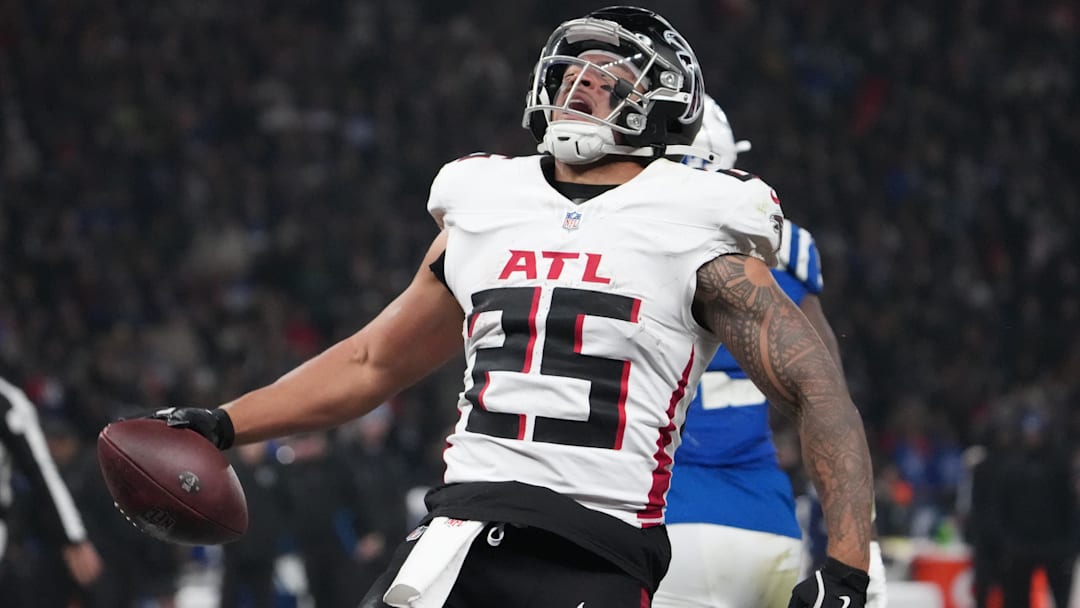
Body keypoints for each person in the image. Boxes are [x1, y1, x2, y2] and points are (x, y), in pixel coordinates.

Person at [145, 6, 874, 607]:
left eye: (610, 73)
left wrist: (846, 571)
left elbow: (817, 393)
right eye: (573, 67)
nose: (581, 81)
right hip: (458, 529)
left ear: (663, 105)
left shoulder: (696, 218)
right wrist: (227, 422)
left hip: (596, 549)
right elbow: (371, 362)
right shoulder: (488, 201)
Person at [655, 96, 888, 608]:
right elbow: (828, 396)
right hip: (767, 523)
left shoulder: (625, 237)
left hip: (660, 521)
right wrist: (862, 542)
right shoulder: (781, 244)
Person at [0, 375, 103, 602]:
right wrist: (73, 536)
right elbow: (40, 470)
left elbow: (40, 470)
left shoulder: (6, 401)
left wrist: (73, 536)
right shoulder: (6, 399)